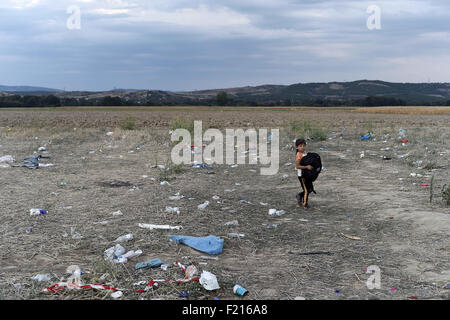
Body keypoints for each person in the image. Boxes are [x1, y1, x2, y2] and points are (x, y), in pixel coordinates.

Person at [295, 139, 313, 209]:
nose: (302, 147)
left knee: (310, 189)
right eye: (300, 146)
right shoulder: (299, 155)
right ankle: (305, 204)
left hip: (307, 174)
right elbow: (297, 166)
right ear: (297, 147)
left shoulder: (304, 153)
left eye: (304, 145)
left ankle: (299, 195)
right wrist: (306, 167)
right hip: (302, 175)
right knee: (306, 190)